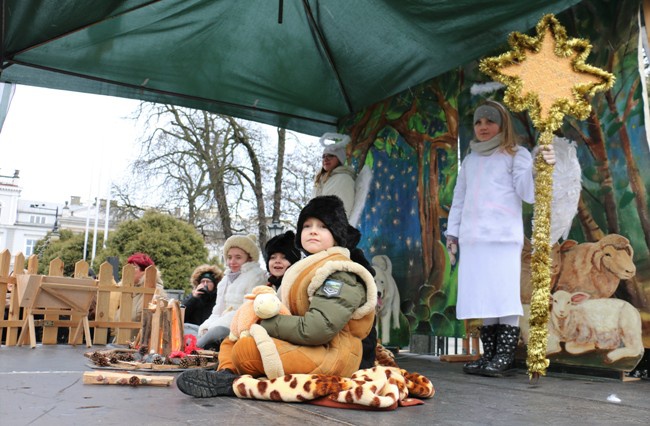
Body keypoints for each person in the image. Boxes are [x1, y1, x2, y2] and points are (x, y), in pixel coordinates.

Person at [176, 195, 378, 398]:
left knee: (247, 350)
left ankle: (233, 383)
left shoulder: (340, 272)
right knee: (232, 339)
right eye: (307, 226)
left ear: (337, 234)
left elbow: (318, 329)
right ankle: (226, 375)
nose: (313, 231)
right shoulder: (308, 268)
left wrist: (263, 324)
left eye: (323, 226)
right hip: (310, 346)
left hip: (334, 355)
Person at [445, 100, 556, 377]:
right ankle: (490, 355)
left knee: (503, 294)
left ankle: (504, 356)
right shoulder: (470, 160)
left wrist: (539, 168)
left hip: (502, 239)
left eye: (490, 121)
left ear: (502, 124)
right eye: (479, 122)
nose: (483, 127)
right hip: (473, 240)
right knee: (483, 297)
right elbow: (459, 199)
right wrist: (453, 233)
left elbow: (528, 193)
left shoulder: (516, 154)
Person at [196, 234, 266, 350]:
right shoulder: (225, 279)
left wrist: (214, 327)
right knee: (194, 330)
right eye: (229, 257)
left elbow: (246, 311)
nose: (232, 261)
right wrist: (207, 326)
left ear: (249, 258)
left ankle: (192, 350)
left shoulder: (255, 276)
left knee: (213, 334)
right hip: (222, 323)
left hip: (241, 326)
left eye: (238, 257)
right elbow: (218, 310)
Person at [110, 252, 167, 340]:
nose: (130, 270)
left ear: (145, 271)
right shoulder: (124, 289)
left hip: (140, 347)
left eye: (135, 267)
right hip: (120, 343)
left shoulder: (156, 292)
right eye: (129, 266)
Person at [312, 135, 356, 217]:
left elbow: (344, 211)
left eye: (331, 155)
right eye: (324, 156)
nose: (326, 159)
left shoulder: (344, 179)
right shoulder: (320, 180)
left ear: (340, 159)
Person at [181, 264, 223, 336]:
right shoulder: (193, 297)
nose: (205, 284)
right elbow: (181, 315)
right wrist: (193, 298)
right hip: (192, 331)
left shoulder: (219, 298)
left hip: (210, 331)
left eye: (208, 281)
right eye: (203, 281)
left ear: (214, 284)